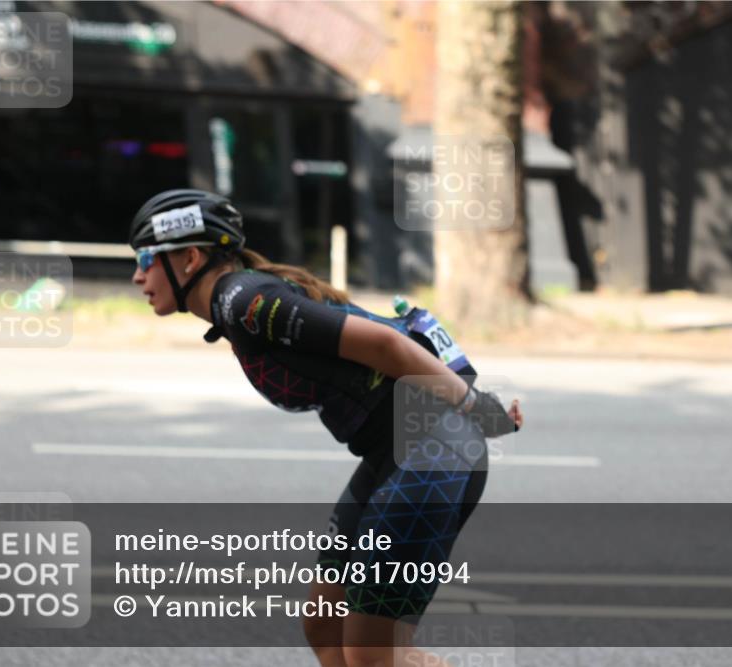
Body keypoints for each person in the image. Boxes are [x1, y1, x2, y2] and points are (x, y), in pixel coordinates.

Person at [129, 190, 522, 666]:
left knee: (372, 655)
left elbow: (385, 344)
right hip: (398, 450)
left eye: (146, 258)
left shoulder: (244, 301)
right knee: (325, 624)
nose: (137, 275)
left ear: (189, 257)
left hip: (434, 446)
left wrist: (478, 407)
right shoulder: (240, 302)